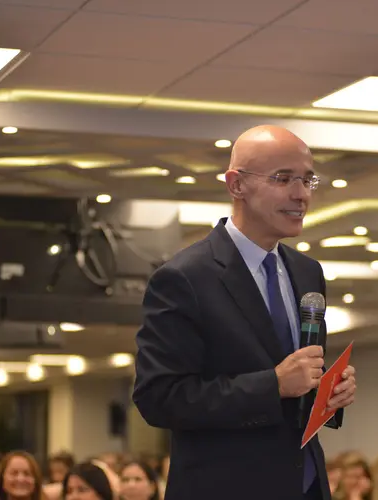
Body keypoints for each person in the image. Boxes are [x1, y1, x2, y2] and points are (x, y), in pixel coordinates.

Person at [133, 125, 357, 500]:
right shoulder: (185, 277)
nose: (301, 194)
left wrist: (327, 393)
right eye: (283, 178)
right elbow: (159, 397)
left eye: (307, 179)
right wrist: (273, 385)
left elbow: (300, 378)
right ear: (236, 185)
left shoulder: (307, 272)